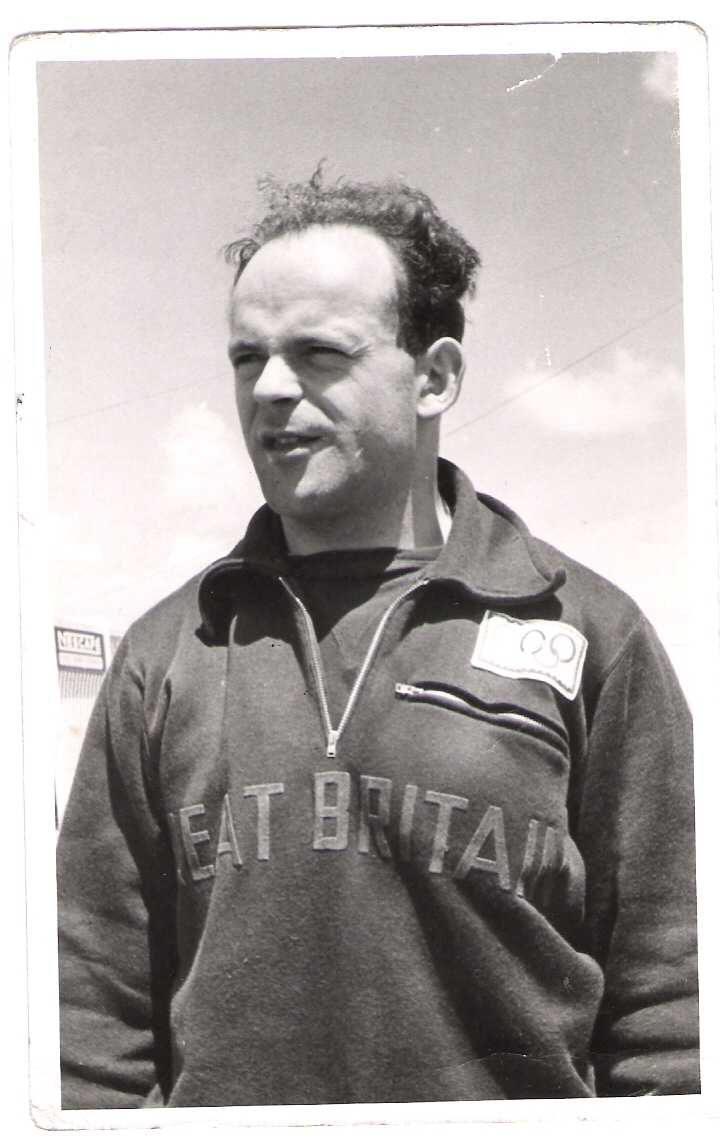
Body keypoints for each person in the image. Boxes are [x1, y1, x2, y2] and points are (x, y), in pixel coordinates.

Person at [57, 174, 699, 1108]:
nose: (270, 389)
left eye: (319, 353)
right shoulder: (168, 653)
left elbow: (673, 1016)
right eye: (247, 358)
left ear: (434, 377)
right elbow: (88, 1025)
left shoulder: (590, 634)